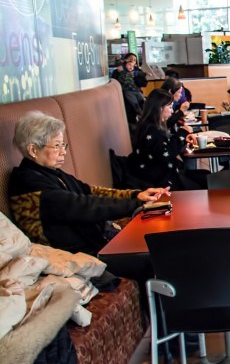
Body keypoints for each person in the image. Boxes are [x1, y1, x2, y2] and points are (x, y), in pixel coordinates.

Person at [8, 111, 168, 256]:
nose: (63, 151)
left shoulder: (50, 172)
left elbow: (89, 191)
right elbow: (84, 205)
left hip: (91, 242)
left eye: (63, 145)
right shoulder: (27, 184)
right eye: (56, 146)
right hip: (72, 255)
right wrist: (136, 204)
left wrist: (135, 194)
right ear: (33, 150)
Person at [130, 90, 207, 191]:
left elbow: (162, 147)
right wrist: (182, 133)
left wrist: (183, 139)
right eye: (170, 107)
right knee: (206, 180)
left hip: (164, 173)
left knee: (206, 176)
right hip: (161, 180)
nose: (171, 111)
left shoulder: (149, 126)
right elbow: (166, 154)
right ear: (160, 108)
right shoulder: (151, 130)